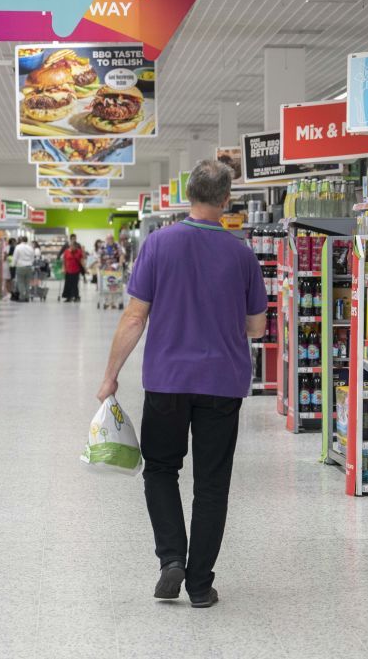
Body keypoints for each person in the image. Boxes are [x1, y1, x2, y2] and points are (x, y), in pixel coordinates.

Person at [96, 160, 267, 609]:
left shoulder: (158, 244)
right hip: (222, 384)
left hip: (167, 382)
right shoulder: (242, 254)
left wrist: (111, 374)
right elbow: (256, 328)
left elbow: (135, 317)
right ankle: (199, 583)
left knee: (160, 469)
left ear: (188, 195)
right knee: (211, 485)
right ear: (226, 200)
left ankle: (171, 556)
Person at [12, 236, 35, 302]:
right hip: (29, 266)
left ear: (21, 240)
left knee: (20, 282)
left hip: (20, 266)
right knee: (27, 282)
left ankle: (22, 297)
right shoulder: (30, 248)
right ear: (27, 240)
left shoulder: (18, 247)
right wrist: (30, 263)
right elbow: (32, 257)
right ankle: (27, 297)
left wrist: (13, 265)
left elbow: (15, 257)